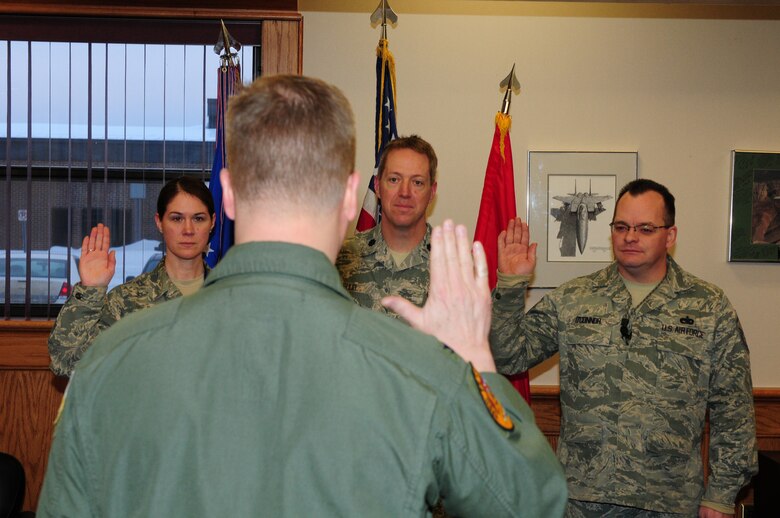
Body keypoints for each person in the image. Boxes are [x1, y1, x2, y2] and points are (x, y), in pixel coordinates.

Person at [37, 75, 567, 517]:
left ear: (226, 193)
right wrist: (474, 360)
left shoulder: (112, 361)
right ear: (349, 195)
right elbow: (532, 503)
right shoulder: (420, 370)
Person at [490, 179, 757, 517]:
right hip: (581, 500)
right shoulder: (574, 298)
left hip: (669, 502)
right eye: (621, 226)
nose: (630, 236)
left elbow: (733, 410)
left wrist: (720, 495)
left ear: (670, 236)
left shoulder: (708, 306)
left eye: (645, 228)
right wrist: (511, 284)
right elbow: (508, 357)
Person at [48, 176, 215, 377]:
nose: (188, 230)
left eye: (198, 218)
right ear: (159, 222)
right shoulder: (127, 301)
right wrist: (90, 290)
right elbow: (65, 363)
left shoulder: (231, 295)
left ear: (212, 222)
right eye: (176, 218)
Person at [336, 135, 437, 315]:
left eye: (417, 182)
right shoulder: (342, 258)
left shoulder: (456, 266)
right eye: (394, 180)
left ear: (431, 192)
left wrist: (506, 281)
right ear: (377, 186)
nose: (405, 192)